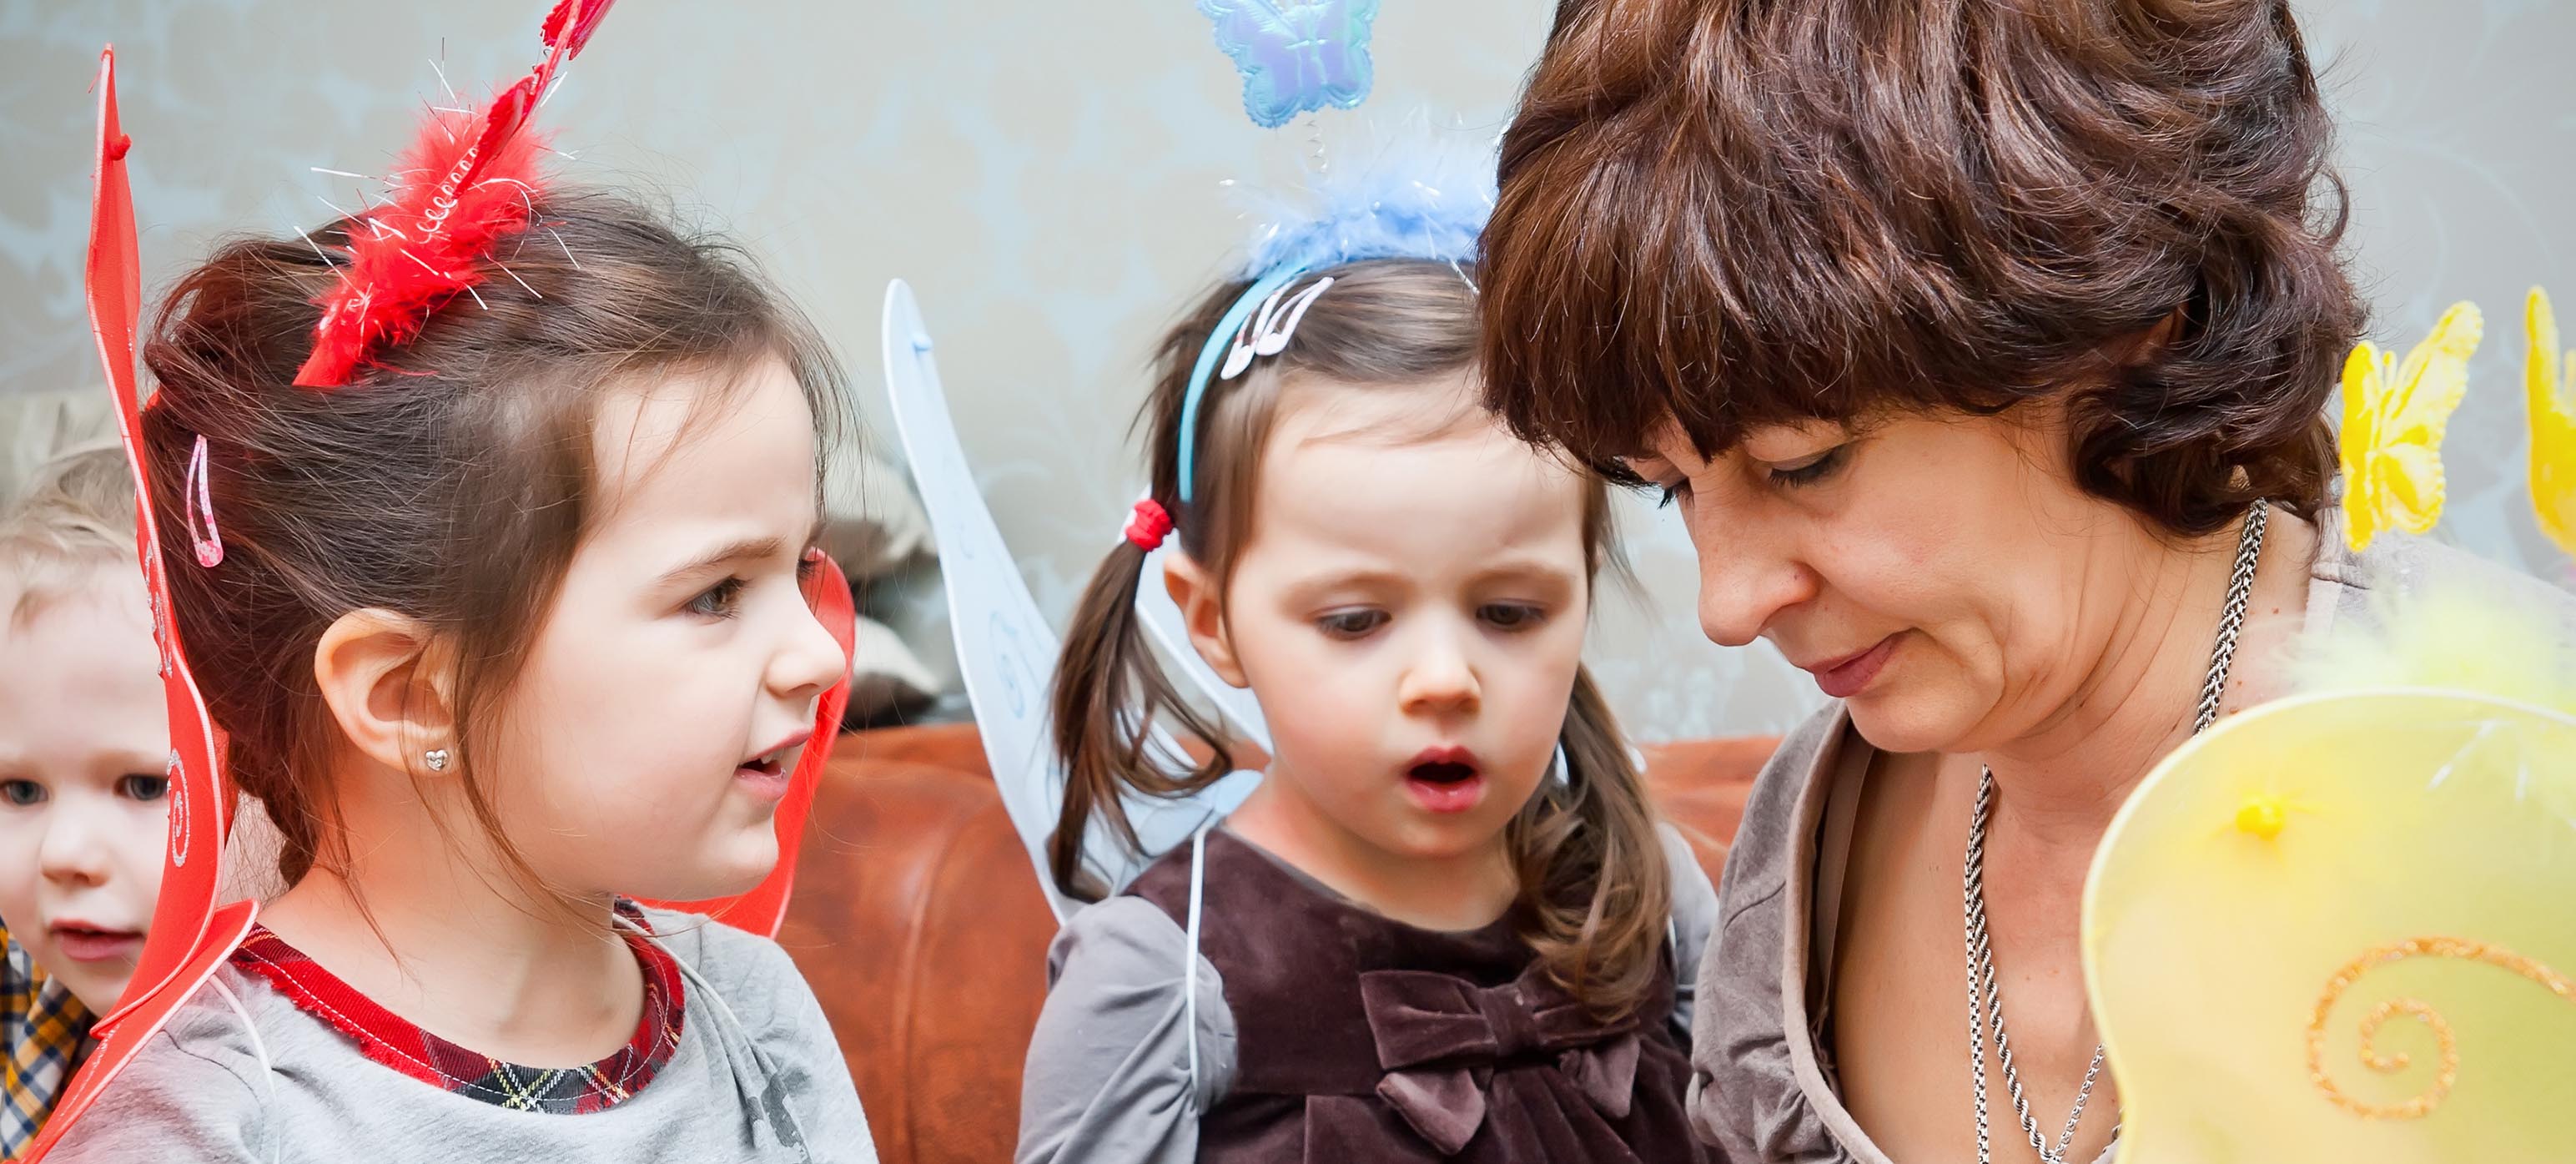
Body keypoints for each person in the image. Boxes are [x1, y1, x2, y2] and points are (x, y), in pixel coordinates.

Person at [1474, 2, 2576, 1161]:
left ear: (2127, 313)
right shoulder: (1805, 839)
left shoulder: (2518, 764)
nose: (1729, 601)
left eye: (1805, 462)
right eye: (1672, 487)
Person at [51, 6, 875, 1154]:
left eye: (799, 567)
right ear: (406, 692)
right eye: (715, 593)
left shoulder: (757, 1014)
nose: (824, 651)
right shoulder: (213, 1122)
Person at [1015, 244, 1718, 1162]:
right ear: (1212, 621)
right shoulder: (1159, 981)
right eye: (1354, 621)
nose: (1442, 679)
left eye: (1510, 612)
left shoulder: (1649, 894)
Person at [0, 446, 166, 1160]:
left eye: (143, 784)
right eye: (20, 790)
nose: (64, 852)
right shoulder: (27, 977)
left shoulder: (304, 1074)